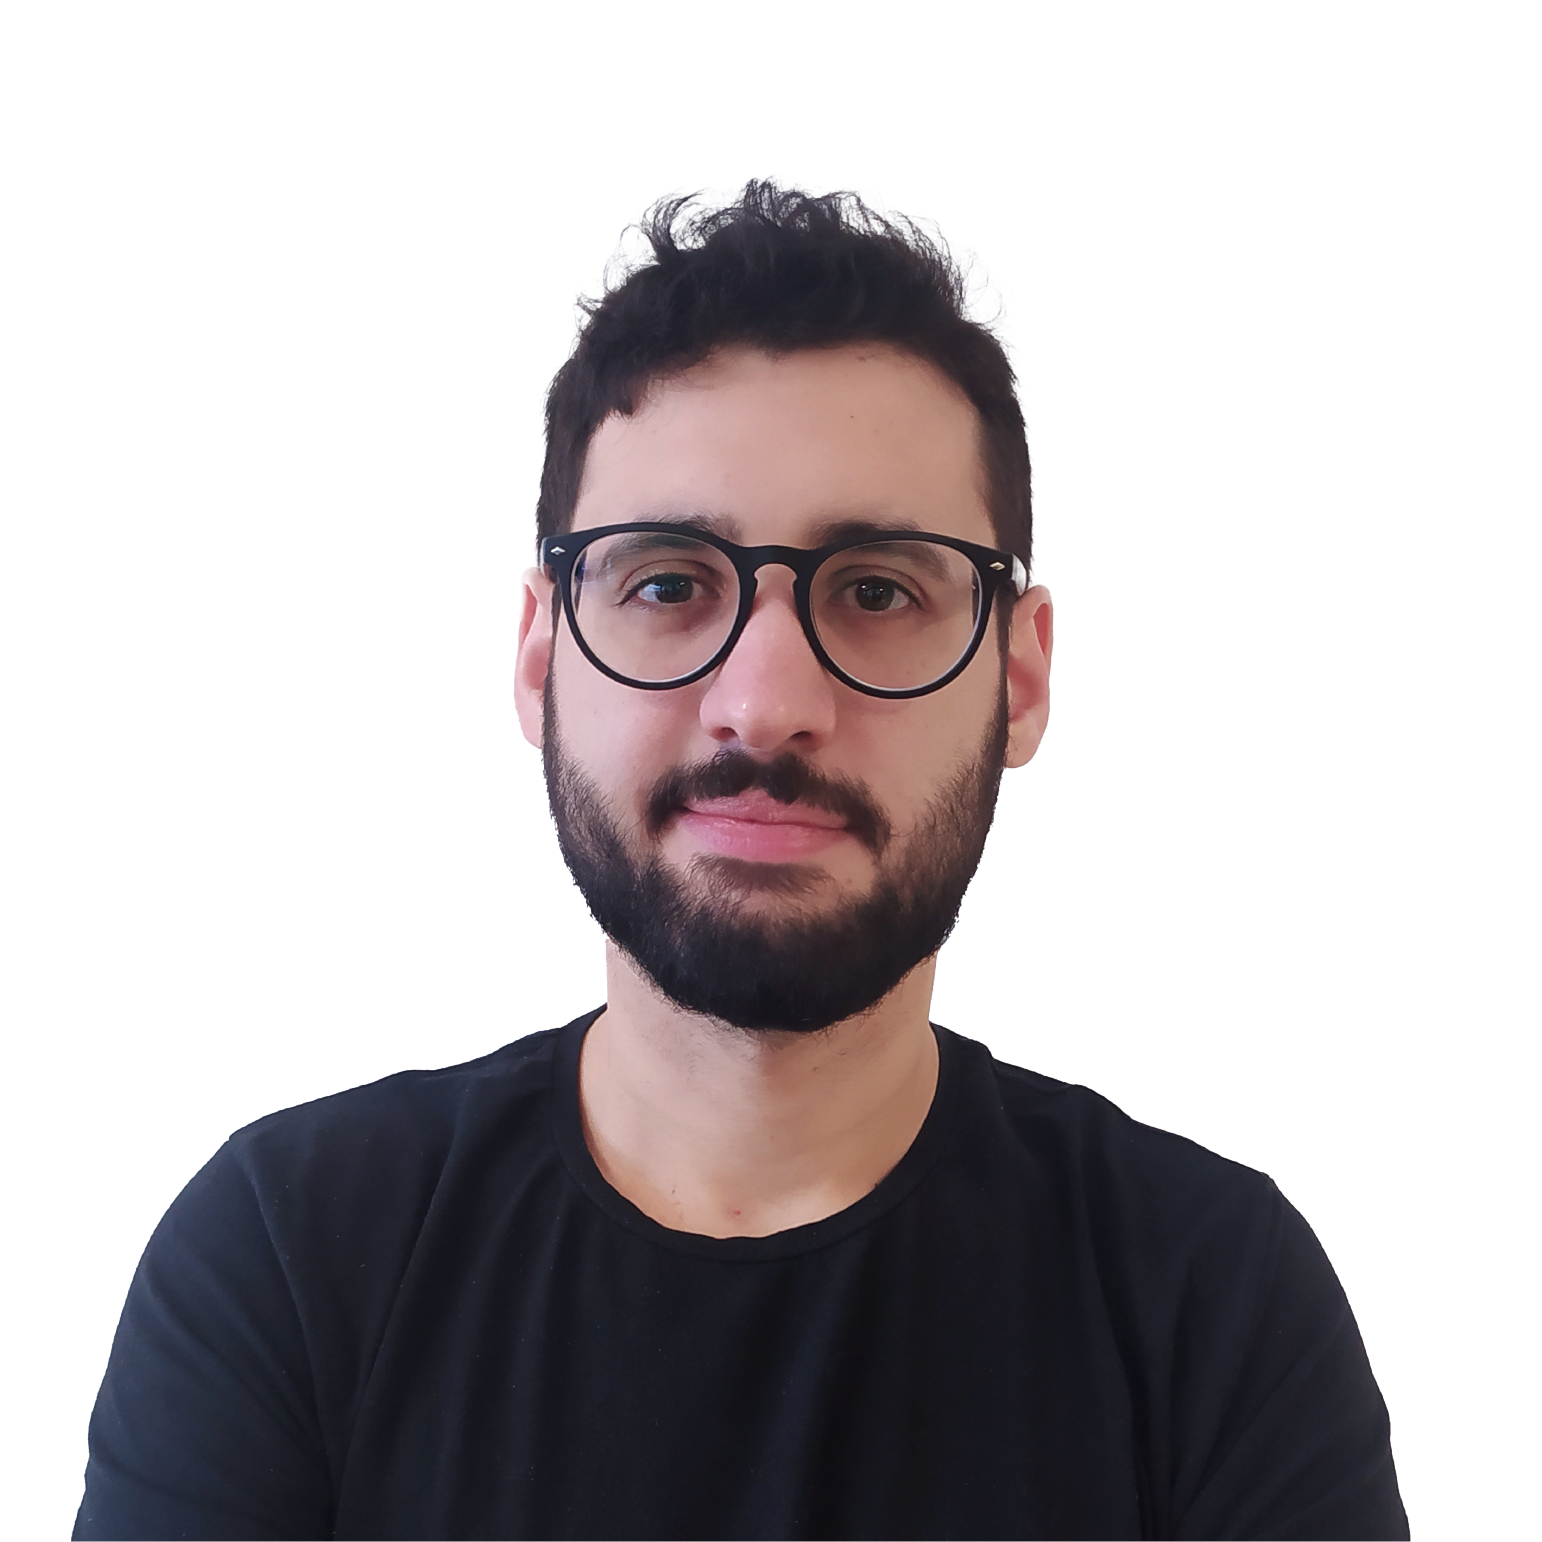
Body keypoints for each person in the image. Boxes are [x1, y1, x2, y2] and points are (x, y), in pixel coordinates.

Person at [74, 182, 1408, 1541]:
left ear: (1017, 675)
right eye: (666, 582)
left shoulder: (1209, 1300)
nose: (764, 702)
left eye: (878, 589)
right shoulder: (291, 1258)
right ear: (540, 658)